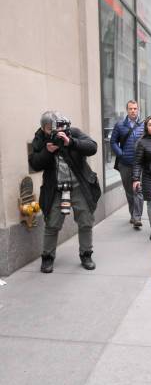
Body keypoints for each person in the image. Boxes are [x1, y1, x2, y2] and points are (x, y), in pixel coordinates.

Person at [29, 111, 101, 273]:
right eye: (49, 129)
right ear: (43, 128)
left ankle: (86, 254)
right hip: (55, 189)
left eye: (55, 127)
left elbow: (93, 147)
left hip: (79, 186)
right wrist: (48, 151)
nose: (53, 131)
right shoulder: (40, 138)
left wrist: (71, 142)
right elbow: (34, 164)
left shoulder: (72, 132)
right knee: (52, 224)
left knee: (86, 221)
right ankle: (47, 257)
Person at [110, 100, 144, 229]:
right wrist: (121, 154)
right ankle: (133, 214)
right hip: (125, 164)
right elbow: (113, 142)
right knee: (129, 191)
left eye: (135, 108)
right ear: (127, 110)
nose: (133, 111)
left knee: (138, 190)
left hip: (139, 164)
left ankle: (137, 217)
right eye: (130, 109)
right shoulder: (119, 125)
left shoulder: (143, 125)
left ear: (138, 109)